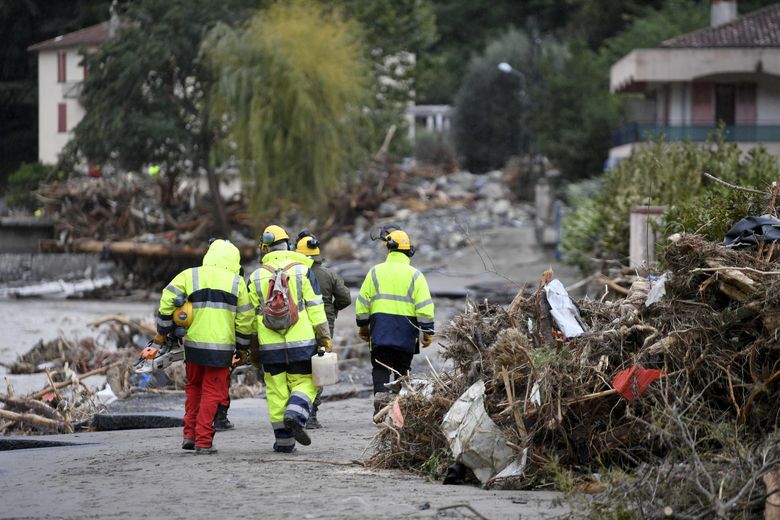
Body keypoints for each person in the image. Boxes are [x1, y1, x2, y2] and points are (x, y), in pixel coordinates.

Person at [156, 239, 254, 454]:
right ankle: (203, 441)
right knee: (212, 392)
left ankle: (189, 435)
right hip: (220, 350)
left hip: (192, 347)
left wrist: (164, 330)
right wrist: (243, 348)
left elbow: (167, 298)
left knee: (193, 388)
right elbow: (245, 320)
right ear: (234, 260)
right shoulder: (237, 283)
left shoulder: (190, 275)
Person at [247, 225, 331, 453]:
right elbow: (316, 308)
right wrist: (324, 338)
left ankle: (284, 442)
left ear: (264, 248)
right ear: (289, 246)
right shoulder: (303, 271)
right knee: (308, 382)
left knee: (276, 391)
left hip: (269, 347)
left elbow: (248, 318)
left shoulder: (255, 277)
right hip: (302, 345)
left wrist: (251, 348)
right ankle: (295, 413)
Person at [356, 228, 435, 414]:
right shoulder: (416, 276)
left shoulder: (375, 272)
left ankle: (381, 406)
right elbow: (424, 306)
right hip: (406, 333)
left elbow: (362, 303)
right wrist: (427, 332)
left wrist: (363, 327)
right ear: (409, 251)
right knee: (402, 370)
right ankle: (399, 411)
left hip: (380, 329)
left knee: (380, 367)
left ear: (388, 250)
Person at [295, 230, 352, 428]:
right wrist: (333, 308)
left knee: (299, 368)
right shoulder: (329, 274)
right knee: (318, 368)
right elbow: (345, 298)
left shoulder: (294, 274)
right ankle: (312, 415)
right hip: (325, 327)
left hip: (298, 327)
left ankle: (295, 409)